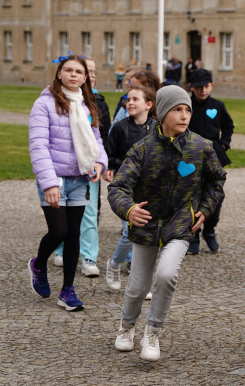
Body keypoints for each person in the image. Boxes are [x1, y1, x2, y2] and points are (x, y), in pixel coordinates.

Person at [108, 85, 226, 362]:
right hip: (146, 226)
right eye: (177, 109)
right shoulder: (142, 149)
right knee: (137, 286)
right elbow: (118, 188)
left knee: (165, 275)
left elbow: (216, 181)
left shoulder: (201, 147)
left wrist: (205, 210)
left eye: (187, 109)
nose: (184, 115)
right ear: (161, 113)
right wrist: (129, 210)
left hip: (180, 226)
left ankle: (153, 333)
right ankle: (126, 328)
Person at [26, 55, 108, 312]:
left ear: (85, 78)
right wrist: (49, 183)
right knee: (59, 231)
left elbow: (97, 140)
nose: (74, 75)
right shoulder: (44, 104)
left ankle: (67, 290)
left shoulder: (87, 105)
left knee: (74, 234)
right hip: (55, 179)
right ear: (59, 74)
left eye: (79, 72)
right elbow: (38, 146)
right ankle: (38, 265)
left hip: (80, 178)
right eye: (68, 70)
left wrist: (99, 163)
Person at [53, 58, 110, 277]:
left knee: (88, 214)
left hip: (87, 166)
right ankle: (60, 249)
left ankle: (88, 256)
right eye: (70, 70)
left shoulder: (95, 102)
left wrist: (103, 162)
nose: (90, 75)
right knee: (62, 215)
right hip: (63, 167)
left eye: (89, 72)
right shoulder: (54, 100)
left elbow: (101, 134)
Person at [103, 85, 157, 291]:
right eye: (129, 99)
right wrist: (115, 166)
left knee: (148, 233)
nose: (130, 103)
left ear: (148, 104)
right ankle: (115, 263)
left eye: (136, 99)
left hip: (151, 187)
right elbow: (110, 153)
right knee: (129, 231)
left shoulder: (157, 128)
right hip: (127, 185)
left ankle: (141, 283)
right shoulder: (120, 127)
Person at [187, 68, 234, 254]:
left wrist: (224, 143)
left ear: (211, 86)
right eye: (198, 87)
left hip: (214, 155)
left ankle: (209, 229)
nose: (202, 91)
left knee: (216, 195)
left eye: (206, 86)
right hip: (191, 157)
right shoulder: (187, 106)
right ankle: (193, 234)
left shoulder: (218, 106)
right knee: (192, 196)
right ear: (191, 87)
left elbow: (228, 125)